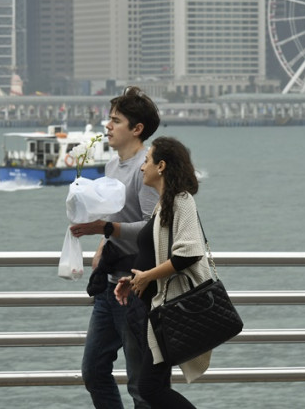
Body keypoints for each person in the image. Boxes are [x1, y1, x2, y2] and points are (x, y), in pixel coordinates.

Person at [70, 86, 160, 409]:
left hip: (136, 290)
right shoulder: (111, 168)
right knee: (93, 370)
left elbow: (152, 232)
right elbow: (114, 220)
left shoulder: (145, 170)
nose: (107, 126)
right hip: (109, 287)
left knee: (140, 385)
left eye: (116, 120)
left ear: (137, 129)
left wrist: (105, 228)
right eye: (109, 119)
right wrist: (100, 243)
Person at [114, 136, 212, 408]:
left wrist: (148, 276)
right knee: (152, 387)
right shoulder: (163, 204)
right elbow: (158, 253)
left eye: (147, 161)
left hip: (168, 311)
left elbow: (189, 253)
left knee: (150, 387)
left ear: (162, 166)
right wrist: (135, 279)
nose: (142, 167)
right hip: (154, 311)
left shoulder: (181, 201)